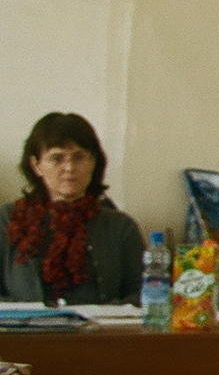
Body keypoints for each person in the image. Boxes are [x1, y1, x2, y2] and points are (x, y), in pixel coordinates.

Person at [2, 113, 145, 304]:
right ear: (36, 165)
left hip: (101, 324)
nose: (69, 167)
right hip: (25, 324)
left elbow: (145, 293)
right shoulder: (7, 220)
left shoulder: (121, 227)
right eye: (57, 158)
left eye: (79, 157)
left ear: (93, 162)